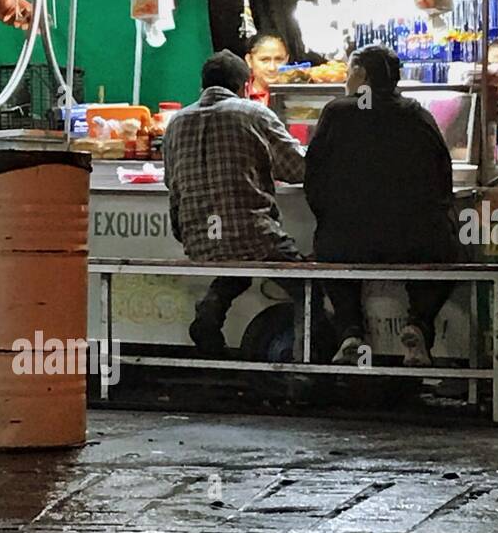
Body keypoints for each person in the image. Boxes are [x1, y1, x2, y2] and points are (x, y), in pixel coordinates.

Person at [304, 43, 459, 369]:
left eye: (349, 72)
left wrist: (330, 217)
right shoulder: (418, 114)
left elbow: (313, 178)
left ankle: (350, 332)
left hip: (347, 242)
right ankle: (418, 325)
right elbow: (443, 179)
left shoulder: (337, 112)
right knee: (449, 254)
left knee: (328, 254)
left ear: (361, 75)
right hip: (415, 241)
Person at [164, 49, 308, 354]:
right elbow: (298, 170)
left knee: (235, 262)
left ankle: (209, 315)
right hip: (253, 236)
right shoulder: (254, 114)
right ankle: (302, 363)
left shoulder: (176, 124)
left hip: (197, 239)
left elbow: (172, 187)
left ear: (202, 86)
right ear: (245, 86)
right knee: (308, 288)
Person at [243, 31, 290, 103]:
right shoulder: (238, 94)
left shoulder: (297, 96)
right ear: (249, 60)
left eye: (278, 59)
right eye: (264, 60)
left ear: (287, 59)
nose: (272, 68)